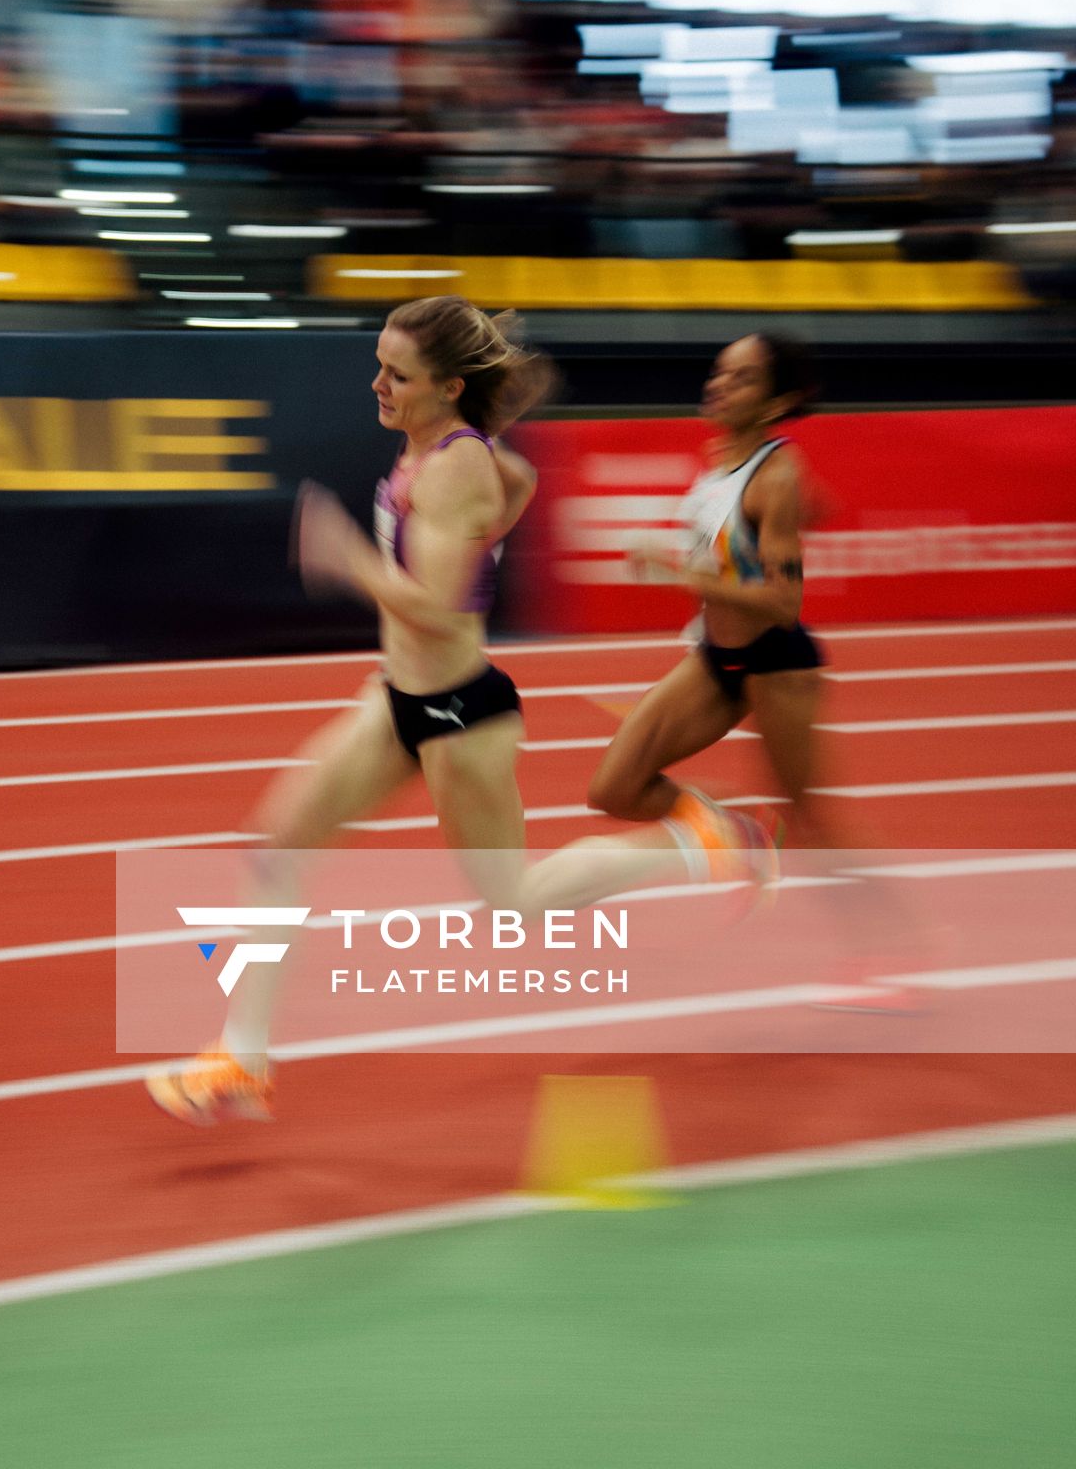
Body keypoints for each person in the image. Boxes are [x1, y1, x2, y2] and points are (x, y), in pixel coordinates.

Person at [146, 299, 774, 1126]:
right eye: (379, 366)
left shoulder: (455, 467)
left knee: (515, 899)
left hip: (460, 718)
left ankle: (707, 840)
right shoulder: (447, 447)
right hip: (397, 700)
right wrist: (486, 511)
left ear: (446, 387)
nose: (377, 384)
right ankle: (241, 1060)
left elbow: (439, 614)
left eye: (397, 375)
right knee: (279, 844)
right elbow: (516, 483)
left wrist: (349, 559)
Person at [521, 332, 913, 1007]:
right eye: (720, 373)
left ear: (778, 402)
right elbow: (793, 517)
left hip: (775, 664)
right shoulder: (724, 457)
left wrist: (681, 570)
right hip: (716, 657)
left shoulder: (775, 474)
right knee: (616, 786)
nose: (719, 386)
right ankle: (739, 832)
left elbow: (783, 602)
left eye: (742, 379)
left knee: (812, 819)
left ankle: (889, 952)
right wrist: (761, 535)